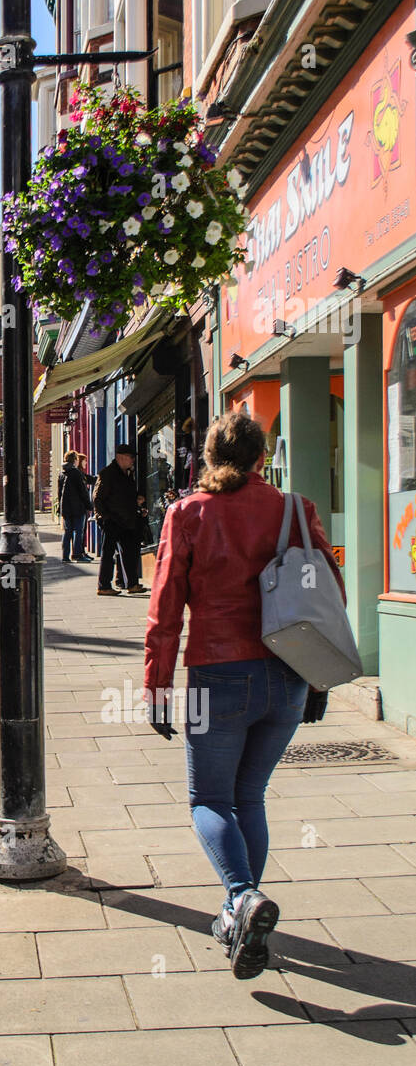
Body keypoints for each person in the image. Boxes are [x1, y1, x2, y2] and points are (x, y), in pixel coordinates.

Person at [144, 412, 342, 980]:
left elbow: (164, 610)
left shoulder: (187, 514)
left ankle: (240, 897)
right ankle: (239, 916)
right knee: (249, 796)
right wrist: (320, 676)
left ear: (208, 459)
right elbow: (329, 592)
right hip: (287, 674)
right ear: (261, 458)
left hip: (218, 675)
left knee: (209, 800)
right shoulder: (294, 511)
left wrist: (157, 687)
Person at [93, 444, 144, 595]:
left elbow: (123, 496)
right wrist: (106, 518)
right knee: (108, 553)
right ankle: (103, 586)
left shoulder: (126, 474)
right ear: (120, 457)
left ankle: (132, 584)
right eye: (131, 457)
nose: (133, 460)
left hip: (126, 519)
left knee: (129, 552)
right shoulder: (108, 474)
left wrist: (136, 500)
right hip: (113, 520)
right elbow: (97, 498)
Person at [58, 450, 93, 564]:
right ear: (75, 460)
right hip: (77, 507)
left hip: (66, 508)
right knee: (79, 531)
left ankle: (65, 556)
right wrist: (89, 505)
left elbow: (59, 493)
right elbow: (82, 491)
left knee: (67, 532)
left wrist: (60, 507)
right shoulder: (76, 473)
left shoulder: (62, 473)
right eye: (77, 459)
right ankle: (77, 555)